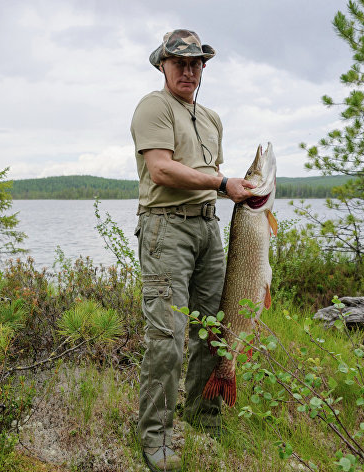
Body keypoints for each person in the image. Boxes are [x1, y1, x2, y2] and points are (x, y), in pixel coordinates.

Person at [130, 29, 253, 472]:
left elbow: (206, 176)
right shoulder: (153, 107)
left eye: (196, 62)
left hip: (208, 230)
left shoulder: (212, 118)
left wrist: (239, 192)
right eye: (179, 62)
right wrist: (224, 184)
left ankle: (203, 416)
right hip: (167, 231)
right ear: (162, 65)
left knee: (212, 329)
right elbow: (162, 170)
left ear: (204, 68)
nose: (188, 70)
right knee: (167, 339)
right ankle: (155, 437)